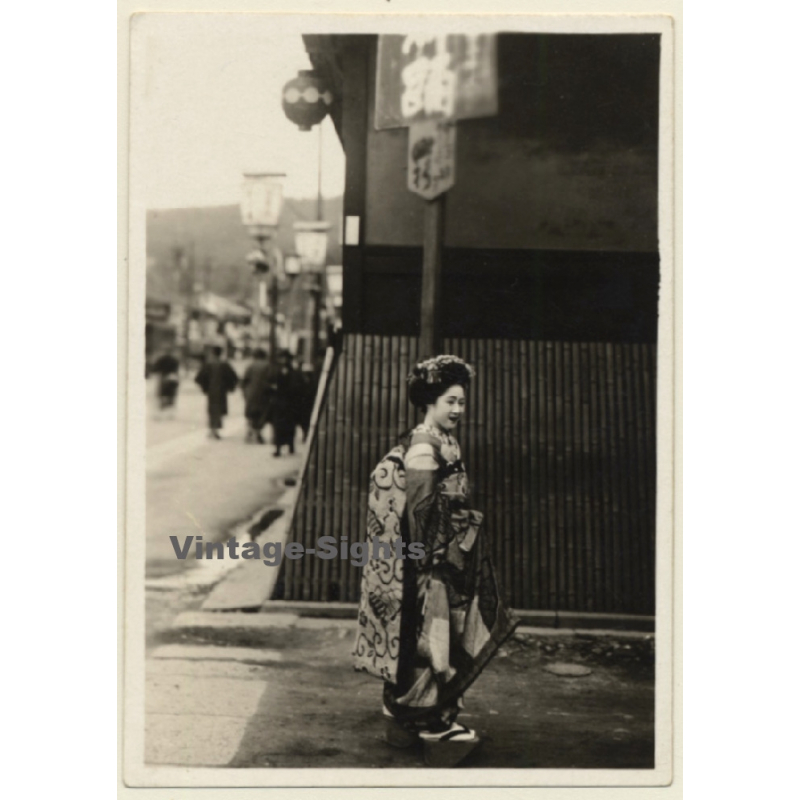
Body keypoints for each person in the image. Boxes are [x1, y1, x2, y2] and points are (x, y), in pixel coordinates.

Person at [353, 354, 519, 767]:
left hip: (445, 553)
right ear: (430, 402)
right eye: (450, 401)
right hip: (433, 562)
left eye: (462, 401)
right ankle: (434, 724)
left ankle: (401, 714)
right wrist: (437, 560)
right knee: (433, 639)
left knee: (425, 638)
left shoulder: (438, 439)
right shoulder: (424, 447)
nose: (458, 410)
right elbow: (422, 511)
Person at [194, 346, 238, 439]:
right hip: (222, 390)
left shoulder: (208, 364)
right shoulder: (224, 364)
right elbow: (233, 377)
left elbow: (199, 378)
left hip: (211, 390)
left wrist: (205, 388)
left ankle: (212, 430)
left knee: (212, 410)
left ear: (213, 353)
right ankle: (215, 430)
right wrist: (230, 387)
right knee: (219, 410)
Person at [270, 350, 302, 456]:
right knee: (278, 426)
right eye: (282, 358)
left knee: (290, 426)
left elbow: (297, 387)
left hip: (289, 403)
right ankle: (278, 448)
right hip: (280, 403)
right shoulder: (276, 370)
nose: (283, 360)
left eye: (285, 358)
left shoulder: (294, 372)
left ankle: (291, 446)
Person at [241, 348, 273, 444]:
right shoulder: (268, 366)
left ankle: (250, 432)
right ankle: (258, 434)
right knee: (262, 415)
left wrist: (245, 393)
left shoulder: (250, 366)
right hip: (263, 394)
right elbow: (271, 379)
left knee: (251, 414)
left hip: (251, 394)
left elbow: (244, 381)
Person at [151, 346, 180, 413]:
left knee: (163, 391)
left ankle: (163, 405)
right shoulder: (174, 359)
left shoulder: (162, 359)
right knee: (171, 391)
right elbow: (176, 368)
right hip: (172, 376)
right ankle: (170, 404)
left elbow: (156, 368)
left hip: (163, 376)